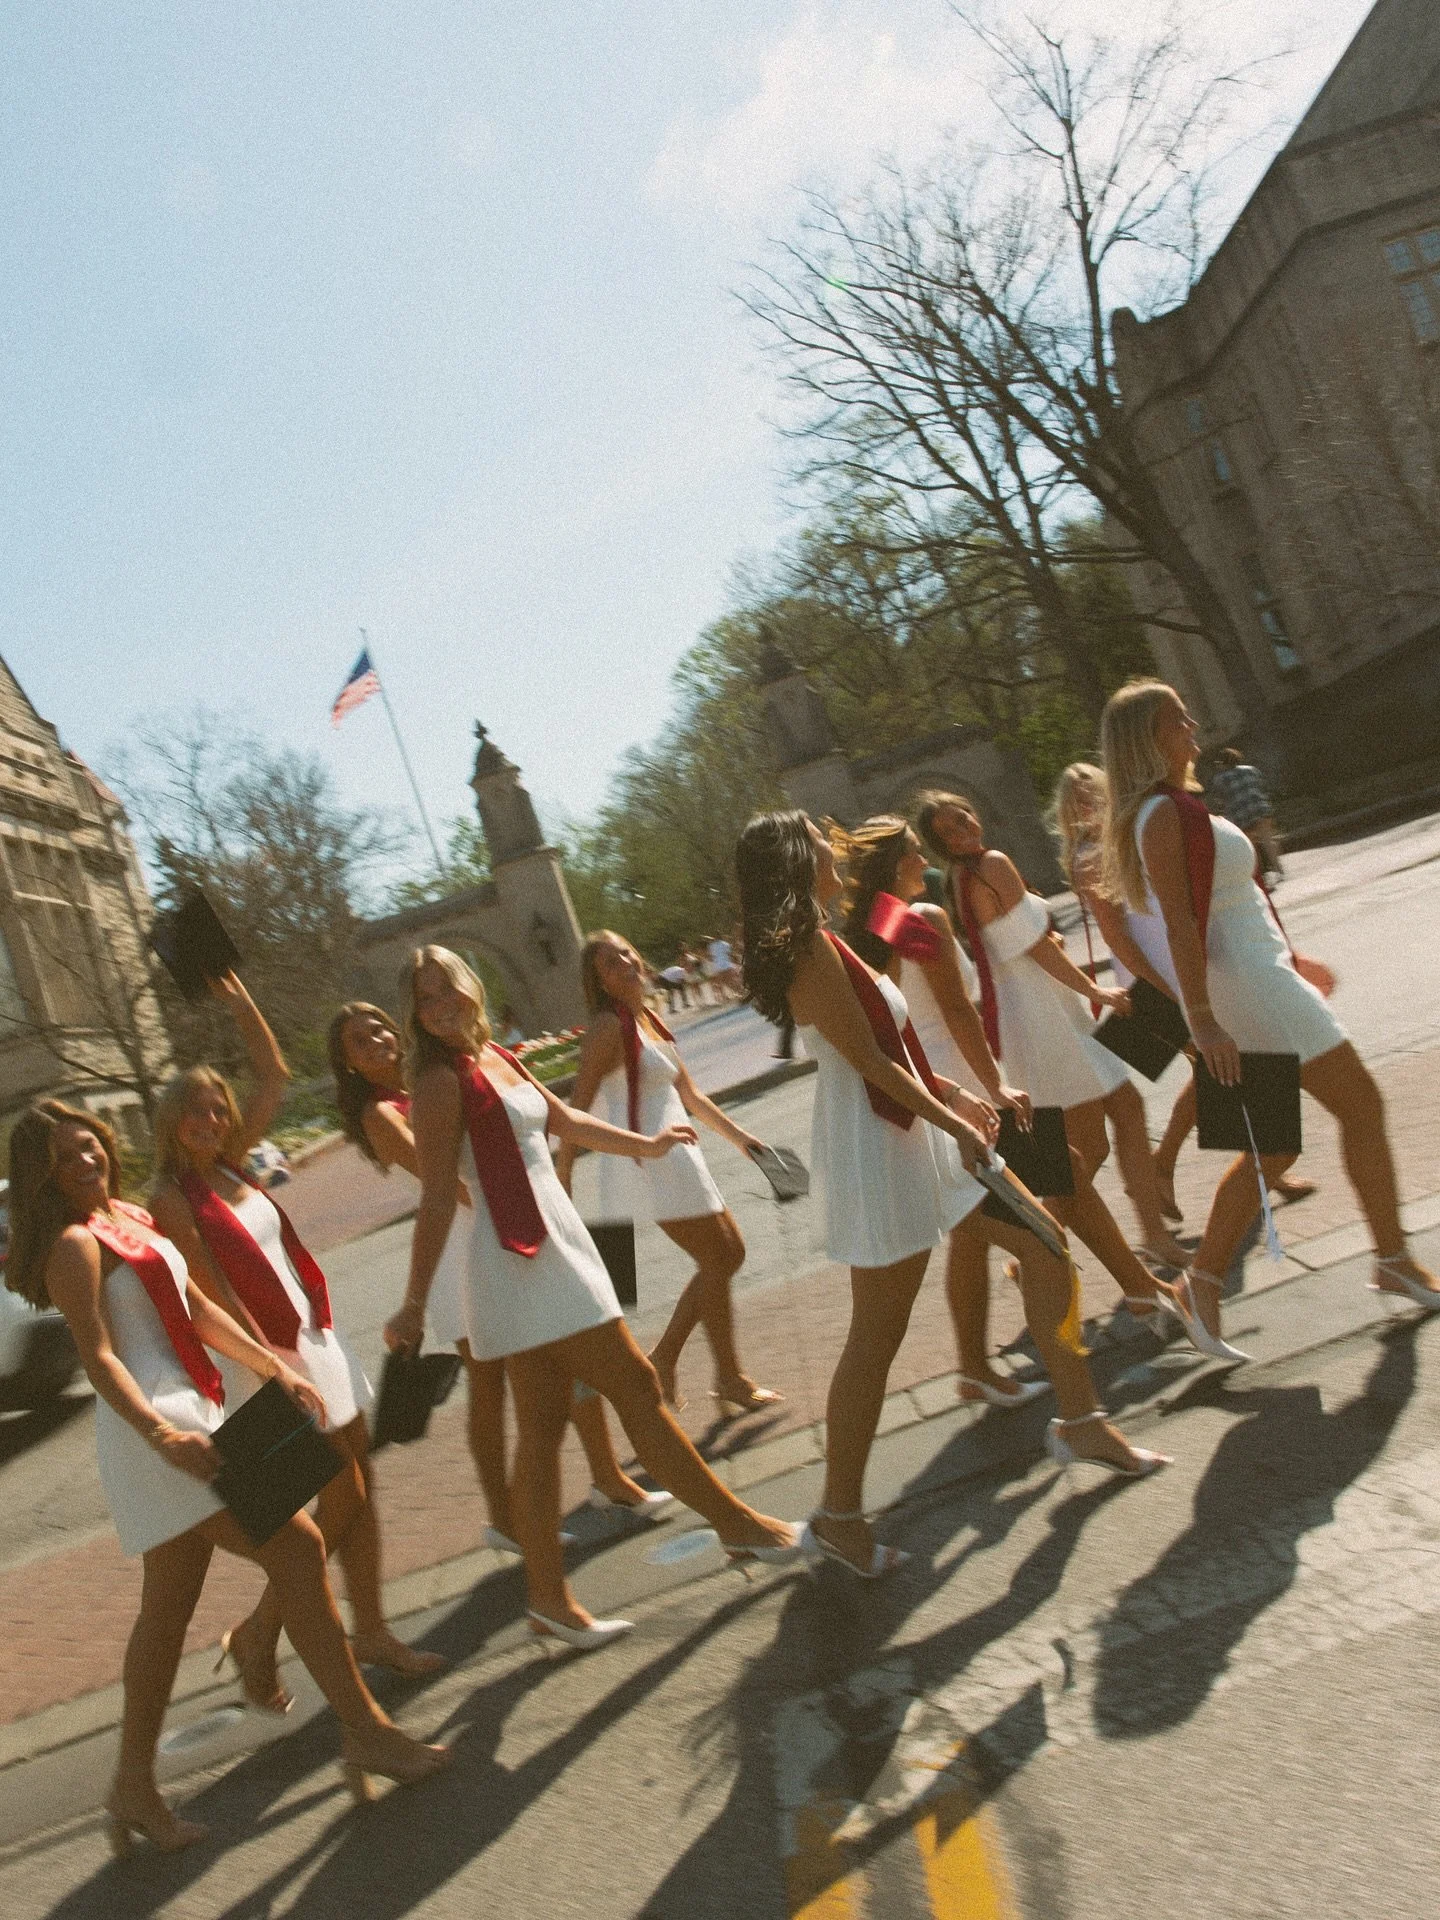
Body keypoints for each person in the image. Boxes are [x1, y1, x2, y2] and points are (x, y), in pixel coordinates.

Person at [6, 1102, 447, 1856]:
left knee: (168, 1607)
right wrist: (161, 1434)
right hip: (164, 1428)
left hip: (206, 1406)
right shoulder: (74, 1245)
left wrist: (271, 1365)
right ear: (39, 1177)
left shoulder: (128, 1216)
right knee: (300, 1546)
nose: (83, 1163)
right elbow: (101, 1357)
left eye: (88, 1146)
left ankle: (133, 1787)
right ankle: (366, 1729)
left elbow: (198, 1305)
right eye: (62, 1158)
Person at [736, 812, 1167, 1579]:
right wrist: (958, 1113)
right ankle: (839, 1517)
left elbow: (893, 1047)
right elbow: (871, 1060)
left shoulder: (838, 935)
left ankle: (1082, 1416)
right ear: (799, 863)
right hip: (883, 1143)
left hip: (915, 1126)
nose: (836, 848)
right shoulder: (816, 945)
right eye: (819, 840)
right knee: (877, 1333)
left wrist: (962, 1098)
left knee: (1044, 1244)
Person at [383, 946, 802, 1649]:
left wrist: (646, 1145)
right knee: (635, 1385)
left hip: (555, 1239)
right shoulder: (434, 1084)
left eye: (447, 987)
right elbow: (432, 1200)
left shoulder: (497, 1058)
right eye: (425, 999)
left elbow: (566, 1125)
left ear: (470, 985)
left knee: (544, 1428)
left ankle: (548, 1600)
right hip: (516, 1257)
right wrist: (415, 1303)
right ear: (416, 1014)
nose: (441, 1004)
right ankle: (737, 1525)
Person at [1100, 678, 1440, 1358]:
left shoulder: (1174, 805)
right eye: (1176, 718)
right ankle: (1392, 1258)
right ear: (1146, 740)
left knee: (1274, 1145)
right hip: (1248, 988)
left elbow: (1230, 906)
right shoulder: (1165, 812)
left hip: (1259, 976)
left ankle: (1202, 1284)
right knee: (1360, 1107)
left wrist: (1293, 957)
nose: (1193, 723)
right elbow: (1181, 919)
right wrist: (1202, 1017)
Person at [150, 973, 439, 1714]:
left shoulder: (229, 1161)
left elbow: (274, 1073)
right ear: (168, 1122)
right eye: (195, 1112)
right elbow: (205, 1288)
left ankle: (367, 1629)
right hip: (258, 1363)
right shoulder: (172, 1196)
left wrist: (244, 1003)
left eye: (218, 1109)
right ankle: (260, 1634)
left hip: (312, 1337)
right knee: (308, 1521)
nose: (210, 1120)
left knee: (358, 1492)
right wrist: (269, 1365)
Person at [328, 1003, 671, 1532]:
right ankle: (504, 1519)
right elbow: (449, 1186)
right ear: (348, 1063)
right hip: (465, 1249)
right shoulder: (382, 1113)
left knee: (567, 1352)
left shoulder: (433, 1079)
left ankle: (606, 1476)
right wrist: (519, 1209)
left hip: (509, 1225)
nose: (375, 1040)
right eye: (358, 1040)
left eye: (378, 1028)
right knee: (490, 1389)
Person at [914, 792, 1178, 1322]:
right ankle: (1094, 1240)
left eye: (965, 813)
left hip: (1036, 1011)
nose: (966, 824)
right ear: (940, 843)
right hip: (1044, 1013)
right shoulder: (991, 865)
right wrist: (1096, 991)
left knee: (1090, 1141)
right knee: (1099, 1131)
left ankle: (1064, 1236)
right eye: (951, 826)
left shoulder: (966, 882)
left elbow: (1020, 944)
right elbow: (1037, 946)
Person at [834, 815, 1043, 1408]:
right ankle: (1141, 1303)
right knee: (1055, 1205)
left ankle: (976, 1368)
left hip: (933, 1077)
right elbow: (956, 1012)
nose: (924, 862)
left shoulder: (870, 925)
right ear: (895, 863)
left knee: (975, 1233)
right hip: (957, 1073)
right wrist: (992, 1085)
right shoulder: (918, 921)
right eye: (914, 853)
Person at [558, 932, 780, 1416]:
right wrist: (565, 1172)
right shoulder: (605, 1028)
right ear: (596, 982)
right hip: (647, 1157)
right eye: (609, 963)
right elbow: (577, 1107)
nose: (624, 962)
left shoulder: (648, 1018)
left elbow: (691, 1096)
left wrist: (742, 1140)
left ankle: (715, 1373)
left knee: (723, 1257)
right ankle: (695, 1367)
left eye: (625, 951)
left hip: (678, 1150)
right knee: (723, 1257)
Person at [1207, 746, 1284, 882]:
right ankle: (1279, 869)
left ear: (1222, 762)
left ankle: (1262, 877)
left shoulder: (1220, 779)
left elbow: (1220, 799)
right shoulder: (1251, 770)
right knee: (1268, 840)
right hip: (1260, 808)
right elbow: (1260, 786)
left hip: (1240, 814)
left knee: (1250, 845)